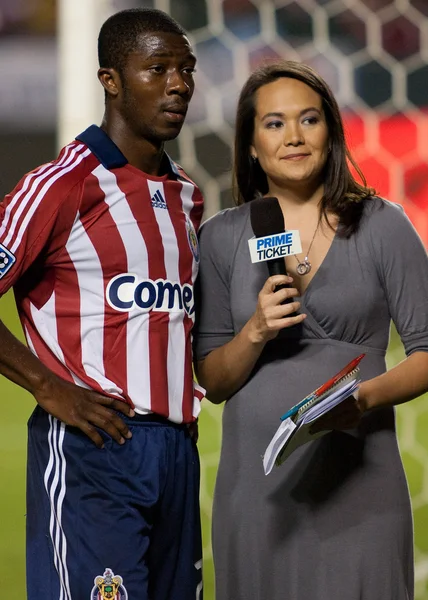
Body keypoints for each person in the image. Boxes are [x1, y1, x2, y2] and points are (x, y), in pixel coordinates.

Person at [194, 61, 428, 600]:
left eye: (309, 119)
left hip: (362, 487)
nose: (293, 136)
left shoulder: (383, 224)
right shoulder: (219, 238)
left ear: (330, 131)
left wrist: (362, 399)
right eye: (274, 123)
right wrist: (257, 329)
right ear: (250, 144)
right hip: (257, 497)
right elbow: (213, 382)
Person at [0, 8, 204, 600]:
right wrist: (46, 385)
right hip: (95, 449)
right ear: (110, 79)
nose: (179, 84)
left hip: (177, 454)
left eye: (186, 70)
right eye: (158, 68)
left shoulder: (187, 196)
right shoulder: (62, 184)